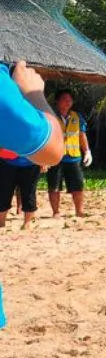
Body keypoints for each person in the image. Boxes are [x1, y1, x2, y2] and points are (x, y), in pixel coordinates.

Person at [0, 62, 64, 327]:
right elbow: (52, 149)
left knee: (26, 196)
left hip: (22, 162)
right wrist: (34, 93)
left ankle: (28, 220)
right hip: (21, 156)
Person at [46, 88, 90, 218]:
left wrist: (87, 151)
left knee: (78, 186)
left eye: (70, 100)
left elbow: (82, 135)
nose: (67, 102)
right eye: (64, 99)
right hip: (55, 157)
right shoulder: (50, 116)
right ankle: (56, 212)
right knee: (54, 186)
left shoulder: (77, 117)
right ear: (57, 101)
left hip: (73, 157)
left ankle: (79, 211)